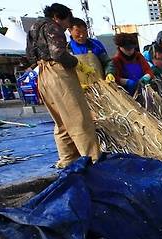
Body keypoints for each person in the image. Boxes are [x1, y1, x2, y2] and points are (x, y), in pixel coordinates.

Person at [26, 3, 101, 168]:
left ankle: (67, 159)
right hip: (58, 74)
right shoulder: (53, 27)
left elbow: (30, 56)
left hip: (42, 73)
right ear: (57, 16)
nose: (68, 26)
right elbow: (58, 53)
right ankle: (92, 158)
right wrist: (76, 63)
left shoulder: (34, 27)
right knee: (78, 118)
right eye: (68, 21)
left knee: (61, 122)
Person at [67, 17, 111, 86]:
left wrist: (109, 73)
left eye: (84, 32)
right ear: (70, 31)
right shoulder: (66, 49)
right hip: (79, 88)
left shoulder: (96, 44)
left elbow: (108, 62)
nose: (82, 35)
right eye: (78, 32)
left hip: (100, 85)